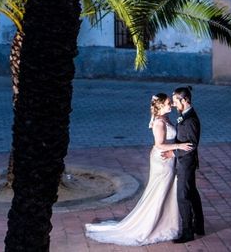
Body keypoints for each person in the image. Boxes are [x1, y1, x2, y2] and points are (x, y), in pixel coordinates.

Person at [84, 93, 193, 246]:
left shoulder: (166, 118)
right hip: (162, 161)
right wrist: (179, 146)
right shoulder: (158, 123)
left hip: (168, 158)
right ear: (160, 105)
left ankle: (164, 223)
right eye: (169, 103)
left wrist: (175, 149)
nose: (171, 105)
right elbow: (158, 145)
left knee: (166, 191)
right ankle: (149, 225)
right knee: (159, 192)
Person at [172, 85, 204, 243]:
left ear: (184, 100)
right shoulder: (185, 114)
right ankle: (199, 225)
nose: (173, 105)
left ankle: (187, 231)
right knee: (192, 192)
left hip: (186, 162)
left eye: (175, 101)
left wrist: (174, 151)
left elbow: (191, 145)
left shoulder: (190, 119)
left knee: (183, 196)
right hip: (186, 162)